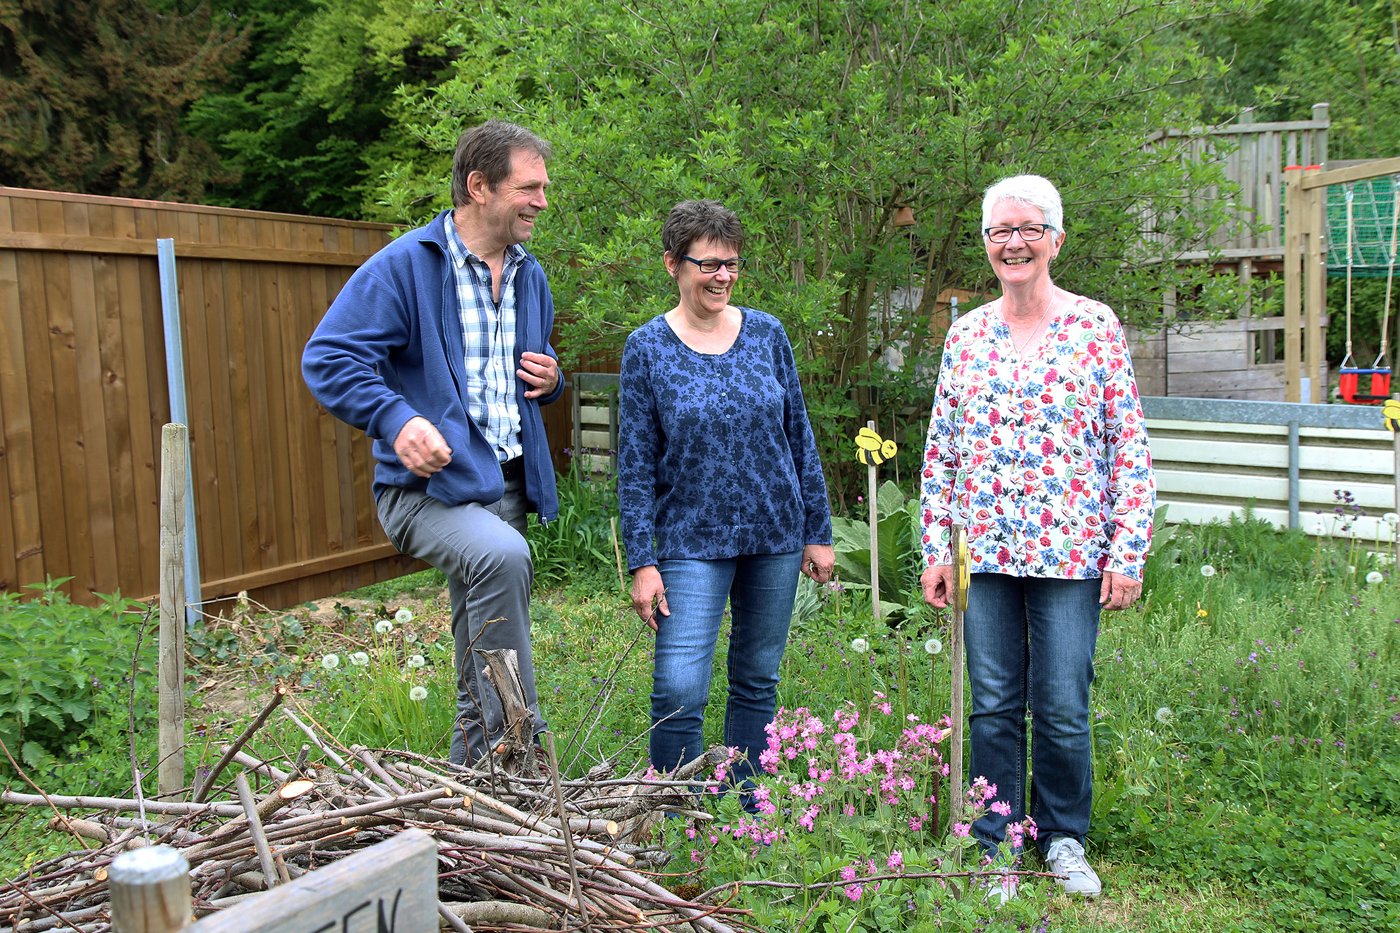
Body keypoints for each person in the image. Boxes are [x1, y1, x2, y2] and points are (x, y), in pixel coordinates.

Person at [920, 175, 1155, 899]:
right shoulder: (966, 332)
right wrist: (936, 545)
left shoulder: (1094, 325)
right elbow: (943, 451)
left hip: (1071, 550)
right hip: (982, 549)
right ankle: (995, 841)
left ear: (1055, 238)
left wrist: (1128, 550)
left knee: (1060, 700)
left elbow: (1129, 445)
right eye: (1000, 230)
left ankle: (1061, 837)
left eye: (1028, 228)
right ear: (987, 244)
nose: (1014, 242)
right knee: (991, 701)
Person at [302, 119, 562, 766]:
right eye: (529, 187)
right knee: (502, 559)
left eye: (544, 188)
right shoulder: (404, 267)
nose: (542, 201)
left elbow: (516, 367)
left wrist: (552, 377)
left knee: (483, 653)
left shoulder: (530, 277)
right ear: (480, 186)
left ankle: (471, 799)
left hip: (504, 485)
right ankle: (526, 753)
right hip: (424, 491)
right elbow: (328, 356)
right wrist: (395, 418)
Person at [618, 199, 835, 792]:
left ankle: (746, 808)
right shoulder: (647, 348)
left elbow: (798, 435)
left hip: (776, 535)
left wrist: (818, 532)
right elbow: (634, 464)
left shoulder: (767, 333)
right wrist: (642, 560)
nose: (723, 276)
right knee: (680, 686)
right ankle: (678, 814)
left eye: (732, 264)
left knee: (756, 679)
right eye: (708, 264)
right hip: (689, 542)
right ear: (673, 264)